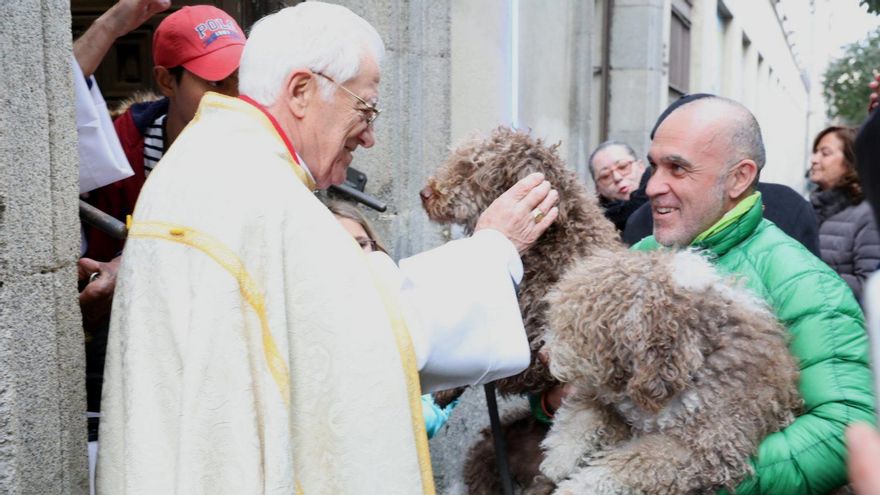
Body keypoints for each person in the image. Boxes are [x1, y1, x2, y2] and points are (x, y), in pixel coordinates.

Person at [96, 3, 560, 493]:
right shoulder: (259, 191)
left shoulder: (208, 162)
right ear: (300, 91)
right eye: (365, 108)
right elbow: (379, 335)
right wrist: (493, 248)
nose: (372, 137)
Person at [628, 94, 874, 494]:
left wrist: (693, 479)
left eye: (677, 168)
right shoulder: (640, 259)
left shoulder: (804, 282)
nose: (652, 186)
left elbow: (845, 427)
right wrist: (553, 400)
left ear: (739, 178)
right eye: (654, 165)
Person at [326, 199, 458, 439]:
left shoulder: (408, 309)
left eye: (361, 244)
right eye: (339, 247)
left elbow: (427, 417)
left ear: (375, 247)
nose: (354, 255)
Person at [809, 125, 880, 304]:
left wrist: (808, 276)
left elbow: (869, 286)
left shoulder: (867, 214)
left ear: (851, 162)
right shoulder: (810, 209)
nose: (814, 160)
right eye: (815, 152)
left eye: (825, 153)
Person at [587, 140, 649, 233]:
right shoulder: (592, 227)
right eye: (605, 176)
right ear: (598, 189)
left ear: (640, 166)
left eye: (623, 167)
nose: (617, 177)